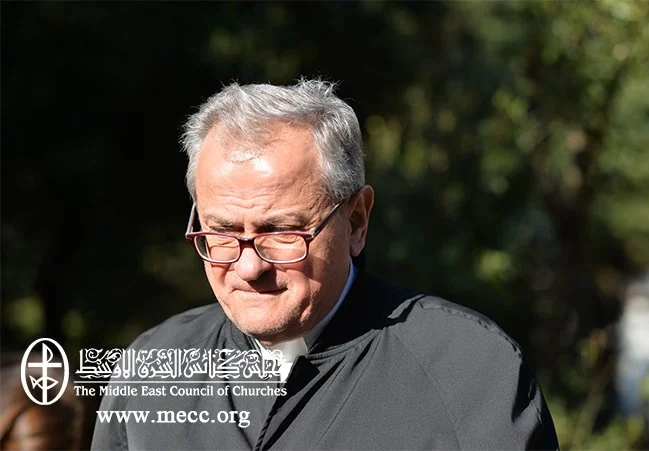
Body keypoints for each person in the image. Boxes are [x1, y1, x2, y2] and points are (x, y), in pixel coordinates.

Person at [92, 79, 559, 450]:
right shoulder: (151, 370)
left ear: (356, 221)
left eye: (281, 233)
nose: (249, 268)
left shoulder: (470, 374)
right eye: (222, 232)